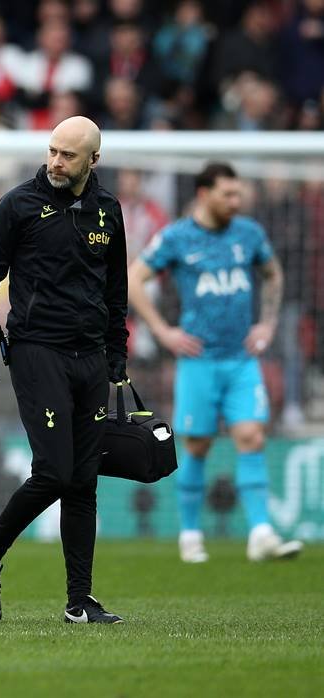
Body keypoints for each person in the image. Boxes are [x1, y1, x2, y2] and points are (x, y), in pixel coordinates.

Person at [0, 116, 129, 625]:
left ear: (92, 162)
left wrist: (116, 358)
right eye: (53, 150)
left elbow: (115, 290)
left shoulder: (107, 210)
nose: (56, 161)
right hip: (37, 351)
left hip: (90, 358)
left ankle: (80, 601)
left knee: (83, 481)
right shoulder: (18, 205)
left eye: (68, 155)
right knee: (55, 472)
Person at [127, 162, 303, 564]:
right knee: (198, 445)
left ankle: (260, 532)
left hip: (241, 359)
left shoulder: (249, 233)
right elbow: (135, 279)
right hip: (199, 361)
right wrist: (163, 331)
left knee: (252, 437)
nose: (235, 201)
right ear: (205, 194)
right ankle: (190, 534)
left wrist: (268, 322)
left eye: (237, 194)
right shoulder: (176, 237)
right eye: (228, 194)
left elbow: (273, 274)